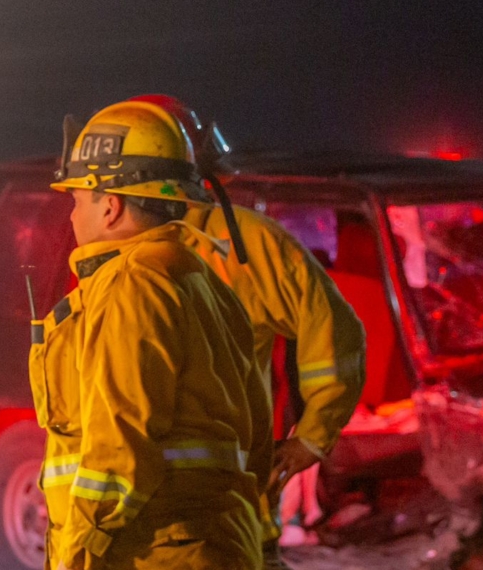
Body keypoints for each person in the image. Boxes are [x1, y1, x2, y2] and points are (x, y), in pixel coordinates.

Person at [126, 95, 367, 566]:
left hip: (208, 525)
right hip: (185, 525)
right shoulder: (118, 256)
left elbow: (333, 330)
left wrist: (312, 436)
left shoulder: (244, 244)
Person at [32, 100, 272, 569]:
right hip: (215, 546)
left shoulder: (132, 284)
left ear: (111, 206)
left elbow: (118, 445)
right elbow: (255, 436)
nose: (71, 217)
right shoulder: (203, 283)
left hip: (152, 552)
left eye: (78, 200)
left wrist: (80, 553)